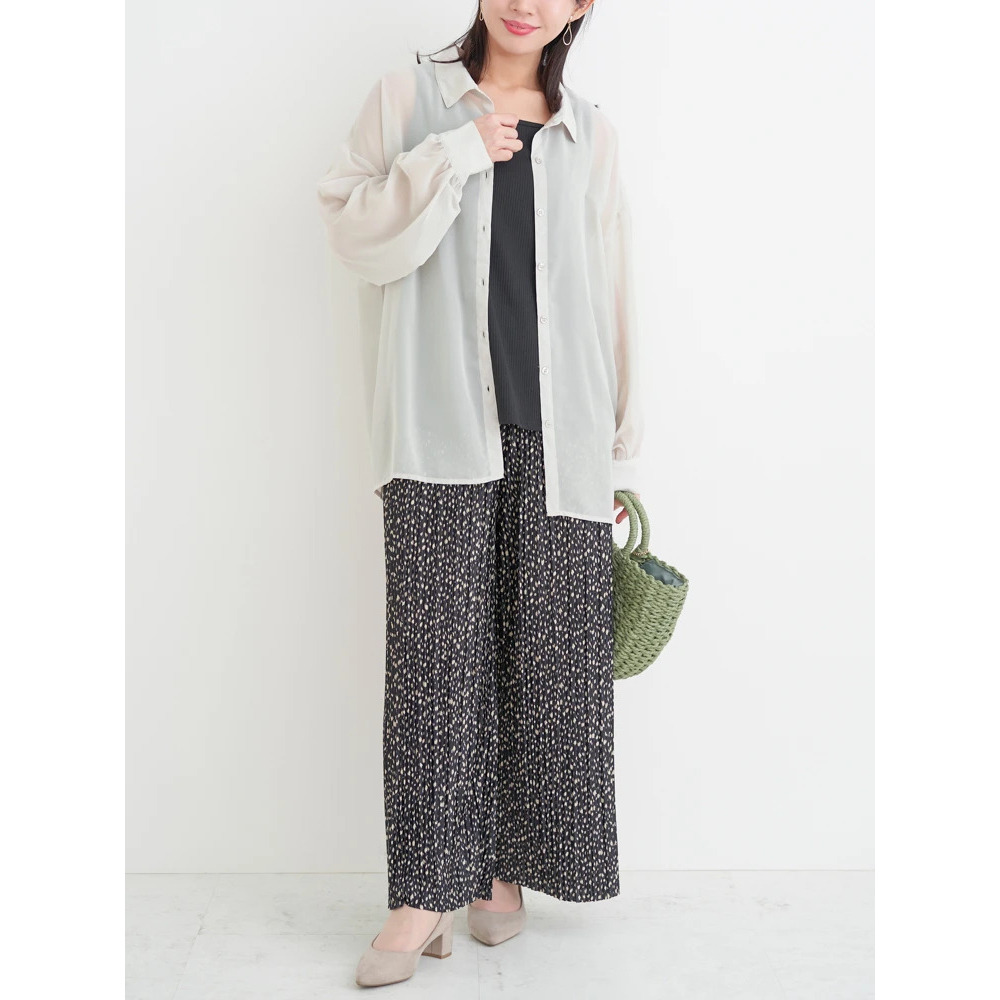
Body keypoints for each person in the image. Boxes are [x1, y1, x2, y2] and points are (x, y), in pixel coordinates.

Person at [316, 1, 645, 988]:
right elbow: (352, 232)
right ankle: (423, 895)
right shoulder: (407, 101)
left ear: (581, 5)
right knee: (436, 665)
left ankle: (499, 874)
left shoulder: (590, 133)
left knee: (546, 667)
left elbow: (611, 279)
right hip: (439, 425)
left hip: (561, 433)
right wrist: (455, 154)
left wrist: (616, 435)